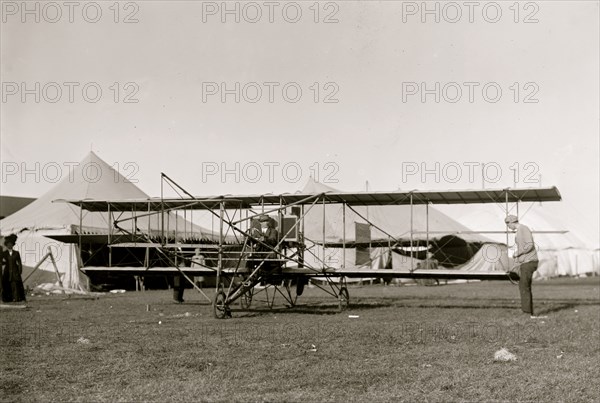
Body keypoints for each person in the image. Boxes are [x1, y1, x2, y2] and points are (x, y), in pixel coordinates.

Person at [505, 215, 538, 317]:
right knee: (524, 286)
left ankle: (527, 313)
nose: (508, 227)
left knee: (524, 286)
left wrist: (518, 253)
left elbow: (530, 245)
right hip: (526, 262)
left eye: (507, 224)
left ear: (511, 222)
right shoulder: (520, 231)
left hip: (529, 262)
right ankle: (528, 312)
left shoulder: (523, 229)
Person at [1, 234, 26, 303]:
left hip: (15, 271)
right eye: (8, 244)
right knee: (7, 284)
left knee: (15, 284)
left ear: (13, 245)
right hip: (7, 271)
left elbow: (19, 262)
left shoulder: (16, 253)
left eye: (11, 244)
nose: (9, 246)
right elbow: (1, 261)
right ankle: (8, 299)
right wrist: (5, 263)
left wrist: (20, 271)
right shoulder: (4, 253)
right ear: (6, 245)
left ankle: (17, 298)